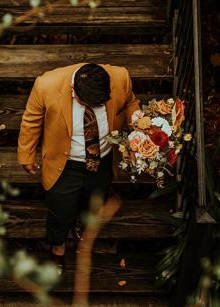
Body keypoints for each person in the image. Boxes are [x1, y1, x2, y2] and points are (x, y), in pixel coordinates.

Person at [17, 62, 140, 261]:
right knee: (60, 209)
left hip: (103, 159)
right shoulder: (46, 85)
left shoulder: (120, 76)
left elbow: (130, 103)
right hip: (65, 163)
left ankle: (82, 229)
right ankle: (57, 244)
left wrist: (138, 125)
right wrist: (26, 155)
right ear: (74, 90)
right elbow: (31, 120)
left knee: (93, 201)